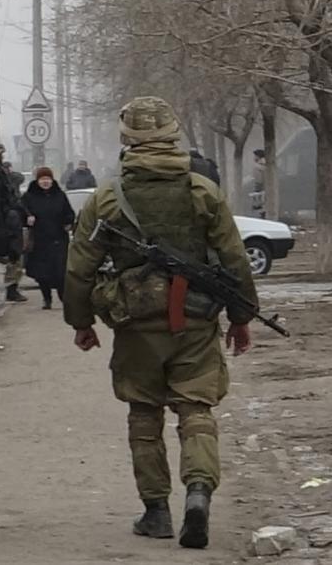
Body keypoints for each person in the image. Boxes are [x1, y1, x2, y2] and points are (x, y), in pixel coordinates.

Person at [64, 97, 257, 550]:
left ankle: (155, 512)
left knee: (144, 412)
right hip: (196, 319)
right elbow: (234, 258)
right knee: (196, 410)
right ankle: (198, 491)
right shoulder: (202, 191)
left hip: (135, 324)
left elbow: (79, 267)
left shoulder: (106, 197)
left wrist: (81, 321)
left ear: (126, 140)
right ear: (174, 135)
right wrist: (241, 317)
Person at [22, 167, 75, 310]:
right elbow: (20, 213)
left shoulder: (60, 195)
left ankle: (64, 298)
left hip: (59, 240)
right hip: (39, 241)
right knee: (42, 274)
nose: (45, 182)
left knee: (61, 272)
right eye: (42, 179)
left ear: (52, 180)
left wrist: (68, 222)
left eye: (48, 179)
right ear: (37, 180)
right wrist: (27, 218)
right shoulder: (29, 196)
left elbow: (69, 213)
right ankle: (47, 299)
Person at [1, 161, 28, 302]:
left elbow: (20, 177)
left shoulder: (12, 180)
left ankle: (12, 289)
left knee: (15, 259)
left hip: (13, 223)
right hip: (3, 224)